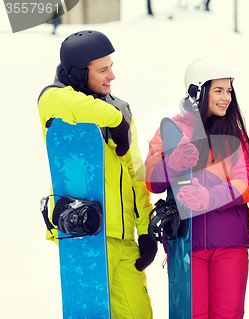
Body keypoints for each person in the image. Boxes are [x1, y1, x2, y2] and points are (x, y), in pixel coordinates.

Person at [38, 30, 157, 318]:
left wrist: (146, 229)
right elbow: (70, 104)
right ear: (79, 73)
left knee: (138, 313)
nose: (112, 76)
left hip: (123, 237)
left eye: (111, 66)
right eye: (102, 69)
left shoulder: (120, 108)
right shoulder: (54, 101)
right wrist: (116, 120)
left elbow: (134, 175)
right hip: (84, 235)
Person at [144, 57, 249, 319]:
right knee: (191, 314)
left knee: (227, 314)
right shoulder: (170, 129)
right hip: (186, 243)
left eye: (229, 91)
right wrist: (171, 163)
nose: (226, 98)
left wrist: (210, 196)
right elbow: (152, 181)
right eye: (218, 90)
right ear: (197, 91)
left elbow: (247, 183)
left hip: (230, 243)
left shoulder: (234, 133)